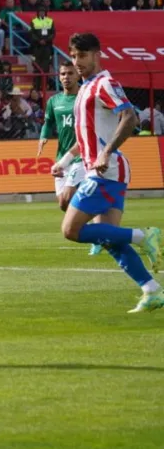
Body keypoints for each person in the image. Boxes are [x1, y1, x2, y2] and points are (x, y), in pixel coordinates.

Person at [54, 33, 163, 313]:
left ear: (97, 55)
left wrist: (106, 152)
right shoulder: (86, 88)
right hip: (103, 168)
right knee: (110, 238)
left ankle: (143, 235)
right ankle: (151, 290)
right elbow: (85, 137)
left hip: (106, 170)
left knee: (71, 230)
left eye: (82, 55)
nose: (77, 62)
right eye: (74, 56)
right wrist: (66, 161)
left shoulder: (104, 84)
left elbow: (130, 117)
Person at [38, 61, 104, 255]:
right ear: (59, 77)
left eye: (70, 73)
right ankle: (99, 226)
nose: (66, 77)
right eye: (63, 74)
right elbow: (48, 121)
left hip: (81, 156)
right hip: (62, 156)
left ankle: (99, 228)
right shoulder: (54, 101)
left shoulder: (83, 98)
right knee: (63, 204)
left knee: (67, 198)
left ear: (77, 76)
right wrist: (43, 136)